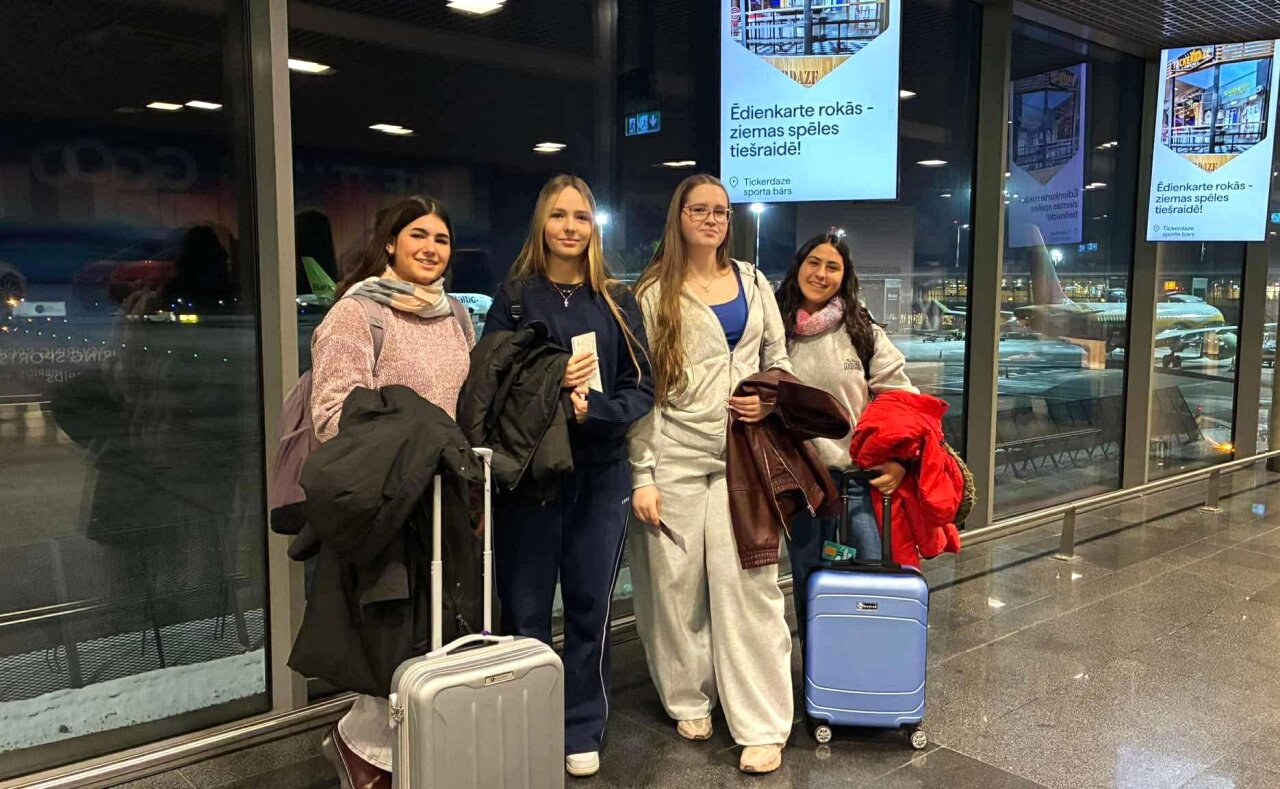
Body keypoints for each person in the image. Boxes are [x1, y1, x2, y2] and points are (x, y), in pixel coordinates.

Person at [483, 175, 653, 779]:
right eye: (559, 215)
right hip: (530, 478)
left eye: (581, 216)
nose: (571, 227)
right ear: (542, 223)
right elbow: (490, 385)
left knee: (589, 607)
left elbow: (642, 388)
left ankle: (581, 725)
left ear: (593, 228)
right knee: (525, 611)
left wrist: (592, 410)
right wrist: (554, 388)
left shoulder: (617, 301)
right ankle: (527, 725)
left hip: (600, 475)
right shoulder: (514, 299)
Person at [627, 173, 794, 775]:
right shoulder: (653, 292)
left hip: (742, 455)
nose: (711, 219)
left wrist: (769, 399)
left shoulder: (753, 281)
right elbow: (641, 388)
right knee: (671, 587)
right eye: (699, 210)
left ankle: (762, 722)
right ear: (679, 217)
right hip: (672, 452)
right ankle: (689, 697)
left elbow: (778, 360)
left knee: (750, 586)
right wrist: (642, 473)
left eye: (720, 211)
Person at [310, 195, 474, 789]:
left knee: (438, 631)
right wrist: (414, 442)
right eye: (417, 236)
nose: (430, 248)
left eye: (441, 239)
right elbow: (331, 413)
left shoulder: (457, 316)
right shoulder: (359, 314)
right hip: (389, 500)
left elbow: (467, 407)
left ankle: (409, 752)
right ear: (390, 243)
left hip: (446, 498)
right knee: (390, 631)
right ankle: (366, 750)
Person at [774, 232, 918, 639]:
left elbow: (901, 397)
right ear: (798, 268)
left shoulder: (860, 329)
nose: (821, 274)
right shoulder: (775, 329)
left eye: (832, 266)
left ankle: (866, 666)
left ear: (844, 275)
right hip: (803, 486)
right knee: (810, 586)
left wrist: (899, 459)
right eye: (813, 263)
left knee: (868, 582)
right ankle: (820, 669)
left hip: (857, 483)